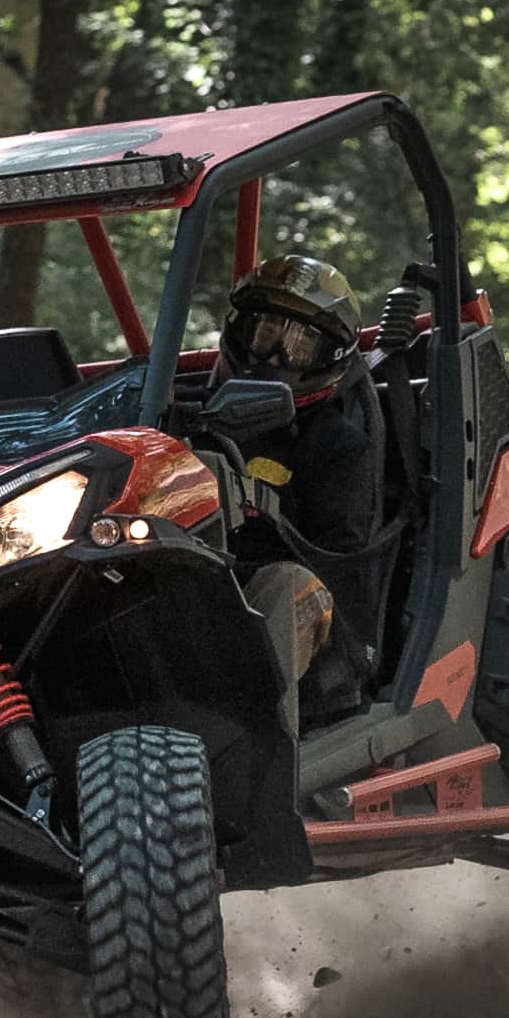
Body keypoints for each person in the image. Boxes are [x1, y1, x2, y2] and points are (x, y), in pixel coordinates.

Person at [218, 254, 396, 711]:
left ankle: (259, 757)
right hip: (205, 585)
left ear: (327, 357)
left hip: (297, 615)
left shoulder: (338, 446)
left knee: (290, 585)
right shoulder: (194, 414)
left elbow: (339, 567)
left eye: (298, 344)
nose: (277, 354)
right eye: (267, 333)